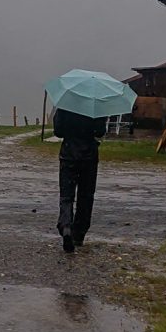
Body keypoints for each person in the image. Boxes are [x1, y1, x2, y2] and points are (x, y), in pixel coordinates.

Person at [52, 106, 107, 253]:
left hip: (68, 153)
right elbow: (100, 131)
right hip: (89, 155)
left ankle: (66, 226)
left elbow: (58, 131)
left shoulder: (65, 105)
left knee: (66, 196)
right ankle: (79, 233)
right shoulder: (96, 106)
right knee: (86, 195)